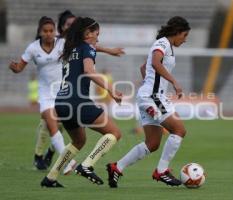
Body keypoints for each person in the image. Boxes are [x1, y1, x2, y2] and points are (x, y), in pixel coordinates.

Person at [106, 16, 191, 187]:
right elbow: (154, 62)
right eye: (185, 35)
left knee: (152, 144)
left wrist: (148, 87)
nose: (185, 39)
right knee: (179, 130)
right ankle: (161, 171)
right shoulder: (163, 43)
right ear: (177, 32)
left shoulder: (166, 45)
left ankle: (117, 167)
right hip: (153, 97)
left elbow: (144, 67)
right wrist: (173, 82)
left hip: (149, 96)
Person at [35, 10, 125, 170]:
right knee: (114, 133)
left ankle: (51, 176)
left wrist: (109, 50)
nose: (98, 37)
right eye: (97, 33)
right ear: (88, 34)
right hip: (77, 101)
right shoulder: (83, 48)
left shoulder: (68, 49)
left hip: (61, 101)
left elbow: (91, 48)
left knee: (78, 141)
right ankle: (87, 165)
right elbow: (89, 71)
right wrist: (111, 89)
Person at [9, 16, 77, 173]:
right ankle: (68, 162)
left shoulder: (62, 43)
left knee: (60, 127)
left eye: (51, 30)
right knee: (53, 127)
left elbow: (84, 49)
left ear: (55, 31)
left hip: (62, 92)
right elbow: (19, 67)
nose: (48, 33)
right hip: (45, 94)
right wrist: (14, 67)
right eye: (45, 31)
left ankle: (47, 155)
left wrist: (108, 50)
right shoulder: (33, 48)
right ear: (40, 32)